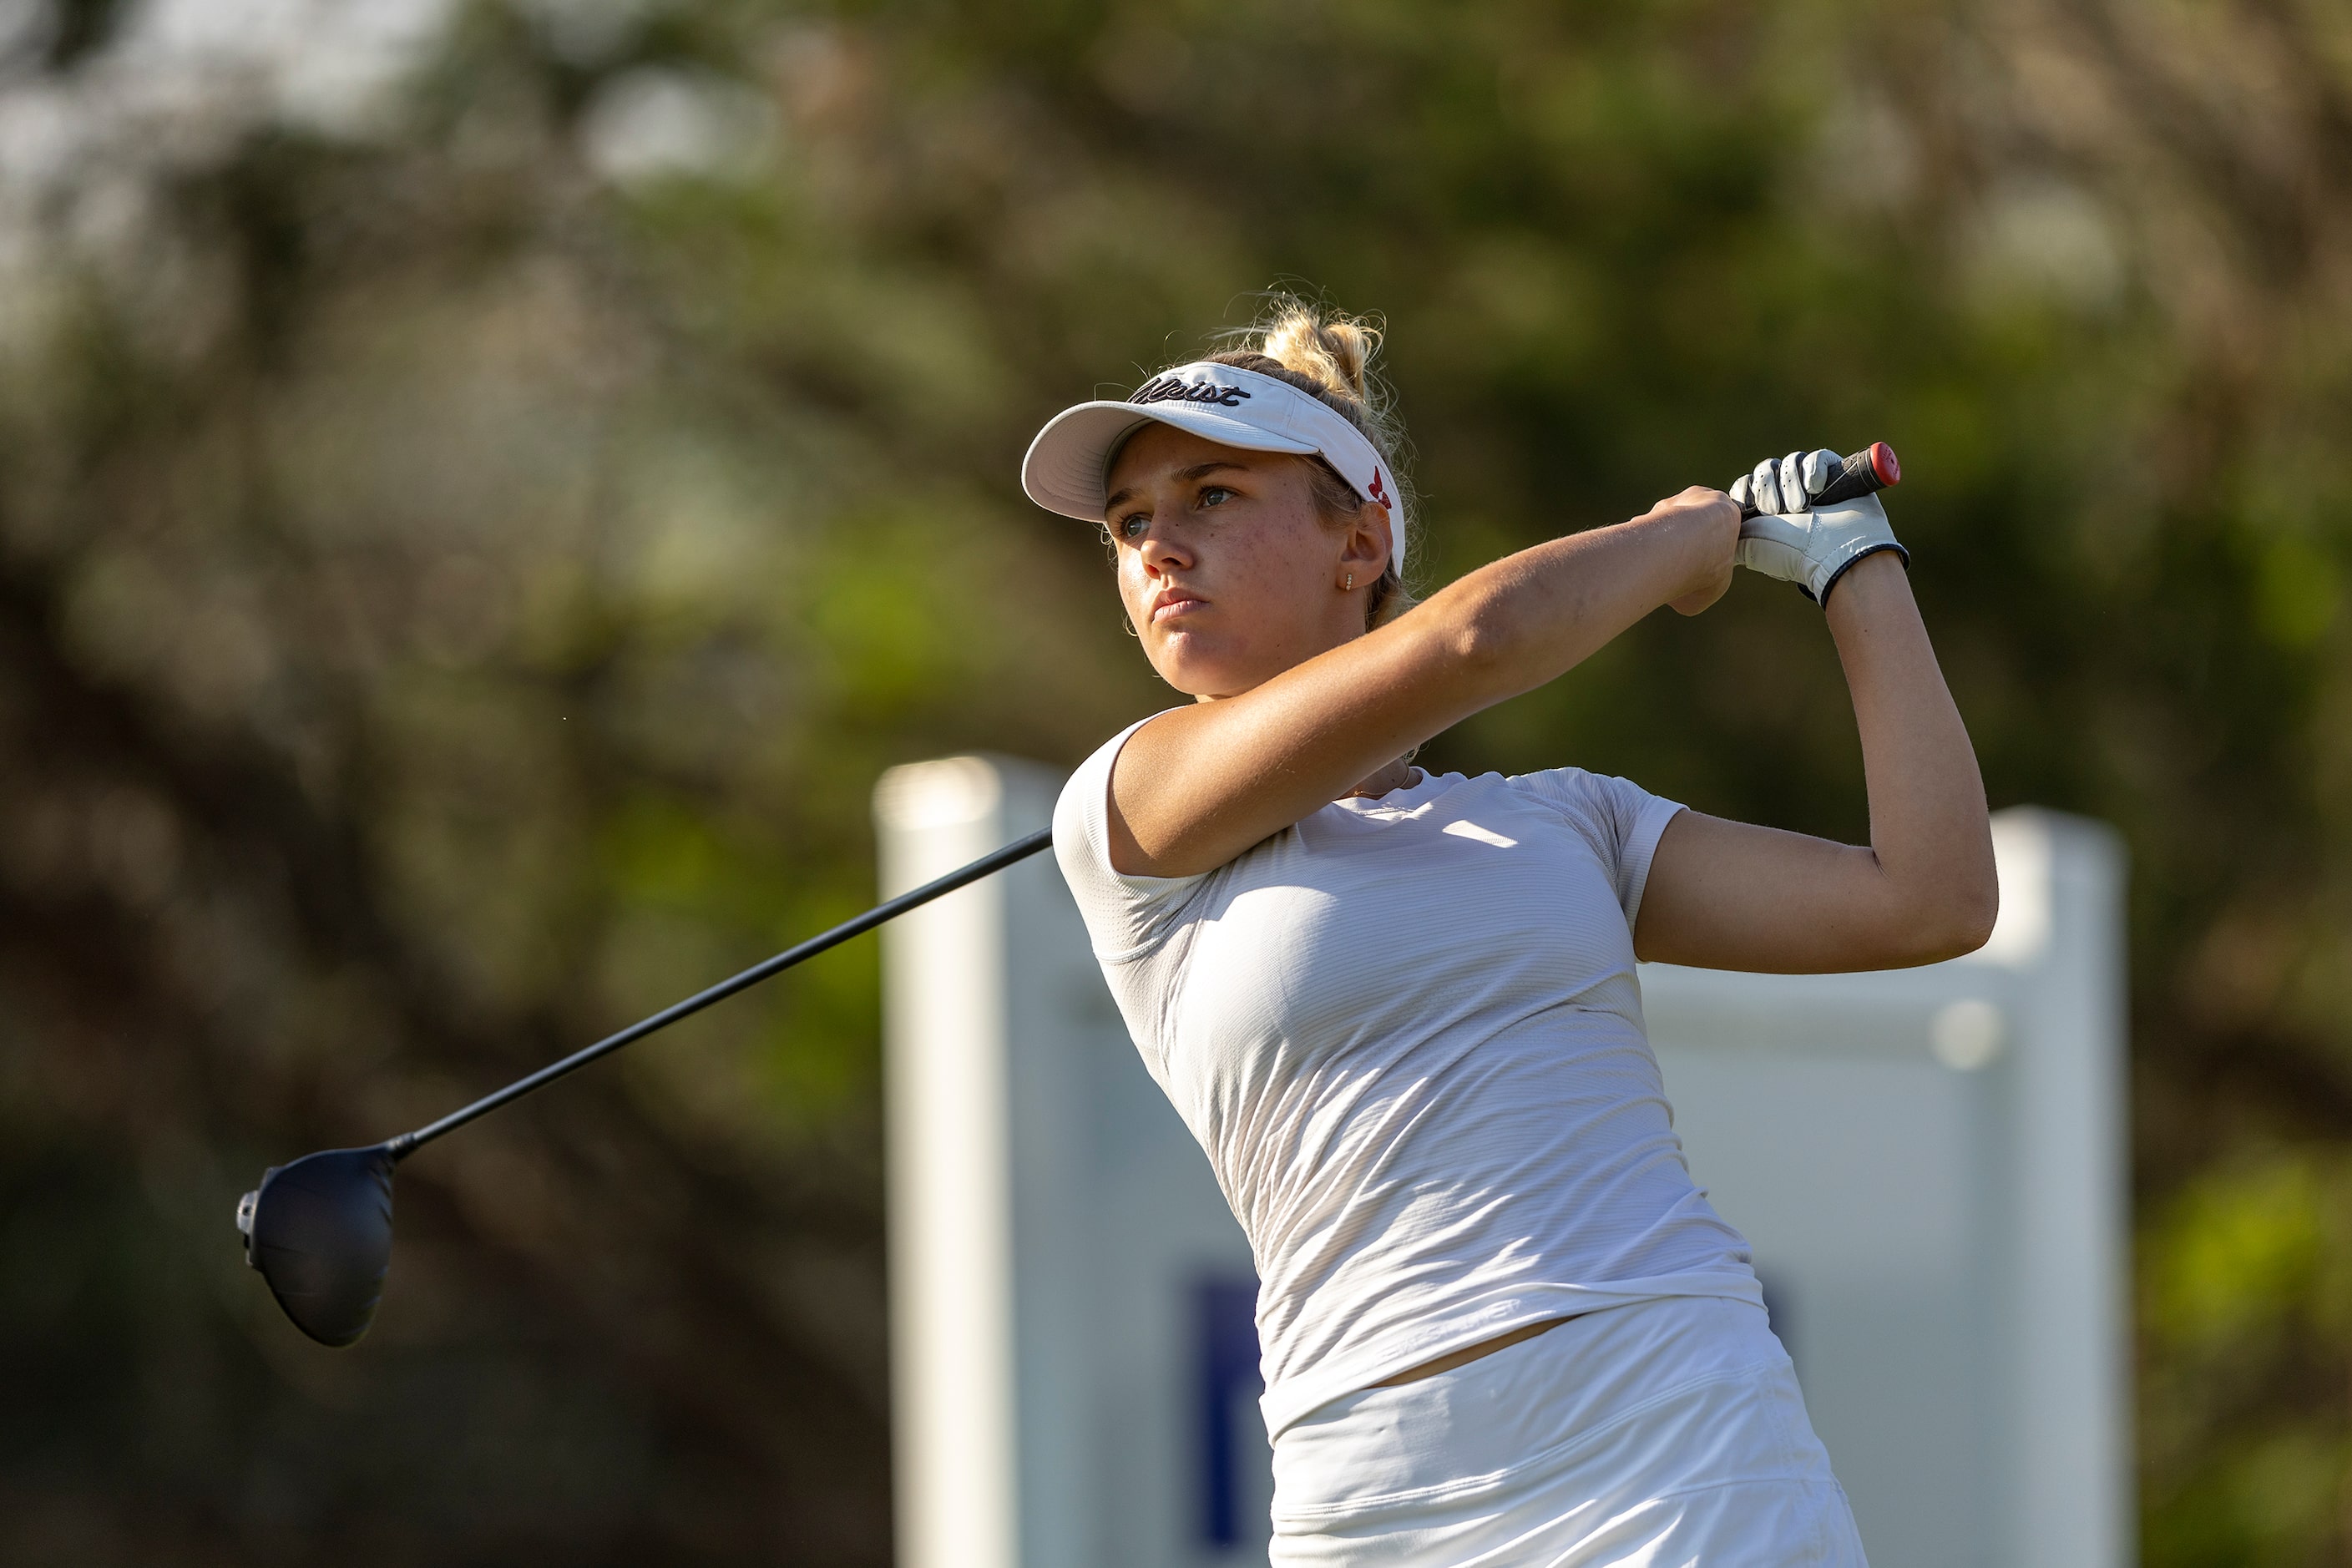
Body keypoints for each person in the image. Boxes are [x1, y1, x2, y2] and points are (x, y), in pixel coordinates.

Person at [1021, 300, 1995, 1565]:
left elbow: (1928, 897)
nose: (1158, 548)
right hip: (1373, 1492)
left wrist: (1849, 562)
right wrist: (1680, 540)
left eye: (1209, 496)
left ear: (1358, 540)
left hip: (1680, 1442)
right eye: (1129, 522)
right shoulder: (1126, 809)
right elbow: (1481, 638)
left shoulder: (1565, 823)